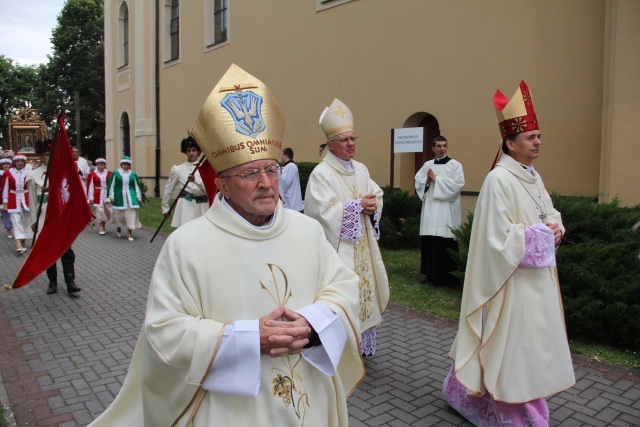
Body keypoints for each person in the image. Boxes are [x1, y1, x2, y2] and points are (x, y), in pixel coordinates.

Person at [89, 64, 364, 427]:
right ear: (221, 186)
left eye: (271, 170)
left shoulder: (308, 231)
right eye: (250, 173)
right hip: (227, 410)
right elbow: (164, 331)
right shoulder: (186, 246)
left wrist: (313, 325)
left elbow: (344, 288)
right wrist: (249, 339)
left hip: (308, 403)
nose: (266, 183)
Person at [442, 81, 575, 426]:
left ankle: (468, 393)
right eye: (531, 137)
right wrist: (543, 235)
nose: (538, 142)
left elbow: (549, 212)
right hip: (510, 285)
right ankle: (518, 411)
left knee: (526, 350)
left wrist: (557, 228)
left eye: (539, 136)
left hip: (536, 283)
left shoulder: (532, 176)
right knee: (513, 351)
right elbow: (497, 239)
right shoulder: (498, 180)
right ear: (510, 143)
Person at [304, 98, 389, 356]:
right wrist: (355, 207)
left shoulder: (361, 169)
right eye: (344, 140)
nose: (351, 144)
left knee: (365, 294)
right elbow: (321, 212)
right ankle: (341, 347)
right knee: (343, 295)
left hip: (362, 244)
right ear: (330, 145)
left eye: (353, 139)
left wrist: (373, 205)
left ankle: (361, 345)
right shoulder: (322, 174)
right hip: (340, 251)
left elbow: (376, 194)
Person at [29, 139, 82, 295]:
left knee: (66, 250)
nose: (49, 157)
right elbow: (32, 200)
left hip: (61, 217)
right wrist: (34, 221)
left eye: (52, 154)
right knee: (48, 250)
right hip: (44, 217)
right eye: (46, 154)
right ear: (40, 155)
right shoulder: (33, 174)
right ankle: (52, 282)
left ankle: (70, 282)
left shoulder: (62, 171)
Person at [414, 135, 465, 286]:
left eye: (444, 146)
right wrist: (427, 181)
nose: (442, 149)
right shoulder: (427, 165)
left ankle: (446, 277)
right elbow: (418, 181)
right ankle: (430, 274)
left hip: (445, 210)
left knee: (444, 242)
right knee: (430, 241)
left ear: (447, 147)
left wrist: (437, 179)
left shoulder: (455, 165)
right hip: (430, 208)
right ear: (433, 148)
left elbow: (458, 185)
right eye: (439, 146)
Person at [161, 136, 208, 227]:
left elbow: (208, 188)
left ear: (198, 152)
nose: (191, 153)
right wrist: (165, 208)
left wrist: (195, 180)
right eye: (188, 150)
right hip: (186, 205)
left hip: (202, 206)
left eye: (194, 150)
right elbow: (169, 189)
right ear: (185, 152)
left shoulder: (205, 169)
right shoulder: (178, 170)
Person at [107, 156, 142, 241]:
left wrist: (139, 197)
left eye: (128, 164)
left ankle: (130, 232)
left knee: (131, 215)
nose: (126, 166)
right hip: (119, 197)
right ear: (121, 164)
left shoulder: (133, 174)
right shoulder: (116, 173)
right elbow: (111, 185)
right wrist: (111, 196)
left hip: (131, 197)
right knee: (119, 215)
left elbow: (137, 186)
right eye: (124, 164)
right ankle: (119, 227)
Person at [1, 152, 31, 253]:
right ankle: (18, 243)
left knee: (25, 221)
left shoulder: (29, 172)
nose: (20, 163)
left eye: (22, 161)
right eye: (18, 161)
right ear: (14, 162)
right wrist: (5, 203)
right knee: (15, 220)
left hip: (26, 199)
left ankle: (23, 241)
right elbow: (5, 189)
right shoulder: (8, 173)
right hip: (13, 198)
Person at [87, 158, 112, 235]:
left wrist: (111, 195)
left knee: (106, 211)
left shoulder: (109, 173)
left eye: (103, 165)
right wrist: (90, 197)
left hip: (106, 193)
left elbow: (111, 185)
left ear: (105, 165)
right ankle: (100, 226)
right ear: (97, 165)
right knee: (99, 210)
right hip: (97, 193)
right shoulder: (93, 174)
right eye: (100, 165)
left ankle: (104, 225)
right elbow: (90, 186)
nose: (101, 167)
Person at [278, 147, 304, 212]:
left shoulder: (290, 166)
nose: (280, 157)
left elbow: (284, 183)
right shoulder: (290, 166)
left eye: (281, 155)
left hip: (290, 202)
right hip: (290, 202)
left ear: (286, 155)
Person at [0, 151, 14, 239]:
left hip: (12, 194)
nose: (6, 165)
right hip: (2, 195)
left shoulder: (13, 173)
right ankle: (8, 229)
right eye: (4, 164)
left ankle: (15, 228)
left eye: (7, 164)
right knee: (5, 212)